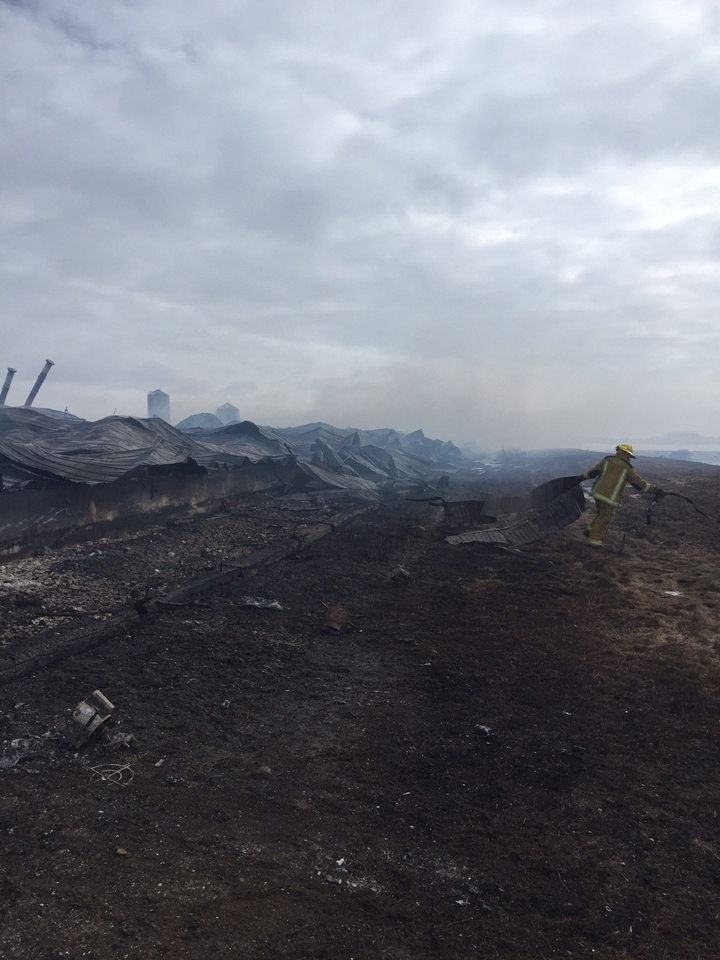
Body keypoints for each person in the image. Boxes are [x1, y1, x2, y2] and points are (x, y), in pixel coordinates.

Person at [580, 444, 663, 548]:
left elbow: (593, 472)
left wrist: (581, 477)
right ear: (628, 455)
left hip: (597, 493)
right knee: (605, 518)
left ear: (618, 451)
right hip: (609, 498)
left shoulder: (607, 460)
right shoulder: (628, 468)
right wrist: (655, 490)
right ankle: (594, 542)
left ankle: (590, 531)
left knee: (601, 514)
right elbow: (640, 484)